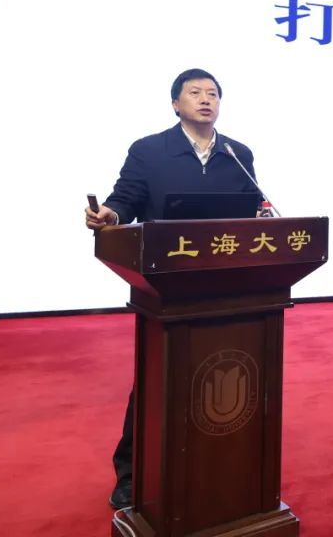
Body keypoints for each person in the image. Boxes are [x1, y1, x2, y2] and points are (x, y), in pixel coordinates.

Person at [85, 68, 260, 509]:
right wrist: (110, 215)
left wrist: (262, 219)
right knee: (157, 379)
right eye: (195, 92)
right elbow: (124, 200)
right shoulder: (149, 151)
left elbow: (252, 207)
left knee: (220, 376)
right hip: (167, 286)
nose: (206, 99)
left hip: (225, 285)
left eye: (213, 93)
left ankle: (216, 464)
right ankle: (132, 474)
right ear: (175, 104)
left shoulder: (238, 154)